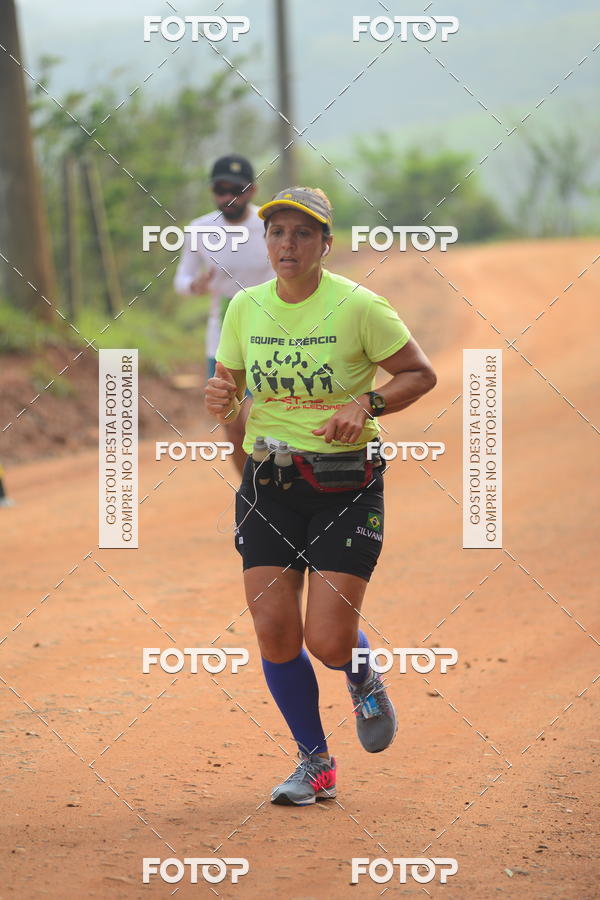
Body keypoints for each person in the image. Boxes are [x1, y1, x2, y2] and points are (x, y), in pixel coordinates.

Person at [205, 187, 436, 805]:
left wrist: (367, 403)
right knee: (275, 631)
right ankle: (315, 763)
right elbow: (229, 389)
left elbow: (420, 373)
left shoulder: (360, 306)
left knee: (327, 641)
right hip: (268, 485)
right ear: (266, 241)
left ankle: (362, 675)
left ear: (325, 245)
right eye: (278, 232)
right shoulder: (245, 308)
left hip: (344, 485)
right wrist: (227, 422)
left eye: (303, 234)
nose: (288, 244)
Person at [174, 154, 274, 474]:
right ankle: (251, 492)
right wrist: (196, 286)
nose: (228, 196)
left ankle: (278, 485)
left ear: (252, 191)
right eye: (220, 189)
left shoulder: (270, 225)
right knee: (231, 422)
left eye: (236, 189)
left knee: (263, 418)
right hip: (223, 334)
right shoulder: (200, 229)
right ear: (212, 191)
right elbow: (182, 280)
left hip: (271, 329)